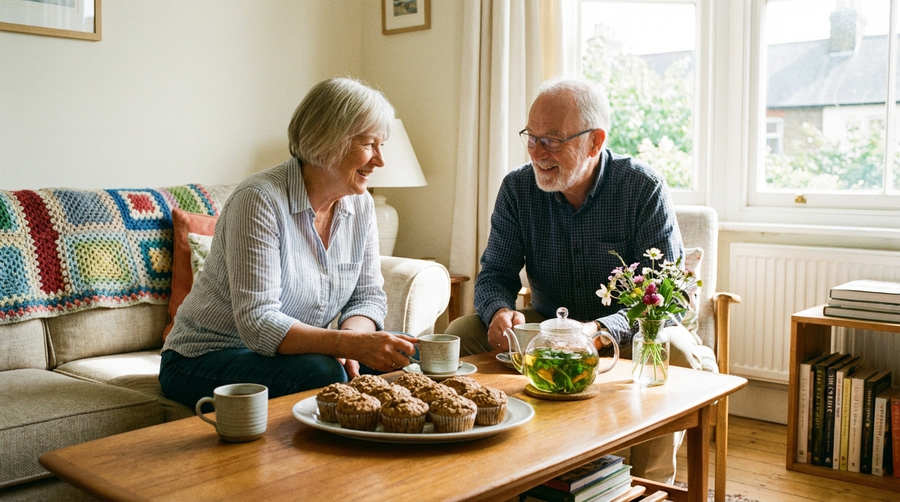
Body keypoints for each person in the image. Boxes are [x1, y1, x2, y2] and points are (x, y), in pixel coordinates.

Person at [445, 76, 715, 484]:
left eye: (552, 140)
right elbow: (494, 275)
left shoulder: (642, 188)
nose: (537, 153)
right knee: (461, 332)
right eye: (531, 138)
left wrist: (601, 331)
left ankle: (650, 485)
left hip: (635, 330)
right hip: (548, 324)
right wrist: (499, 310)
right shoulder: (517, 189)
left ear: (595, 141)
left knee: (670, 352)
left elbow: (668, 299)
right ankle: (481, 475)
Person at [160, 77, 418, 409]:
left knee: (411, 358)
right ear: (328, 140)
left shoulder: (361, 203)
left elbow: (367, 298)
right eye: (369, 144)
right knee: (322, 373)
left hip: (288, 355)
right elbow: (258, 321)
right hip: (202, 358)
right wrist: (344, 346)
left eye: (381, 145)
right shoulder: (259, 199)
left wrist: (354, 342)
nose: (379, 160)